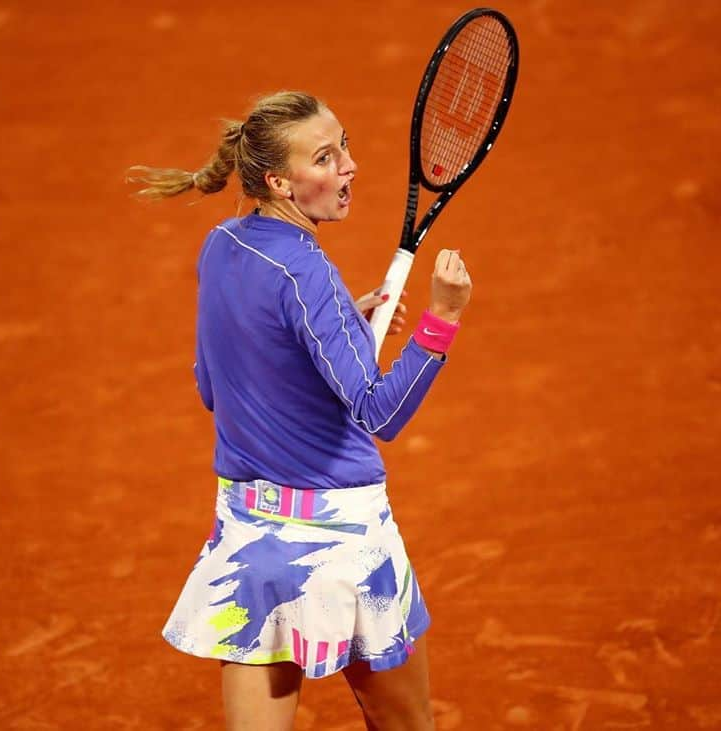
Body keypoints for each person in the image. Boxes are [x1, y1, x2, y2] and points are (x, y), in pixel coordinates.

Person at [127, 91, 471, 731]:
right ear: (280, 181)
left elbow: (215, 385)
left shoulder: (221, 246)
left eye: (345, 145)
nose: (348, 167)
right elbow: (379, 415)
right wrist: (441, 320)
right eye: (325, 156)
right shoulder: (306, 271)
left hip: (250, 544)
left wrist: (342, 325)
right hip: (344, 549)